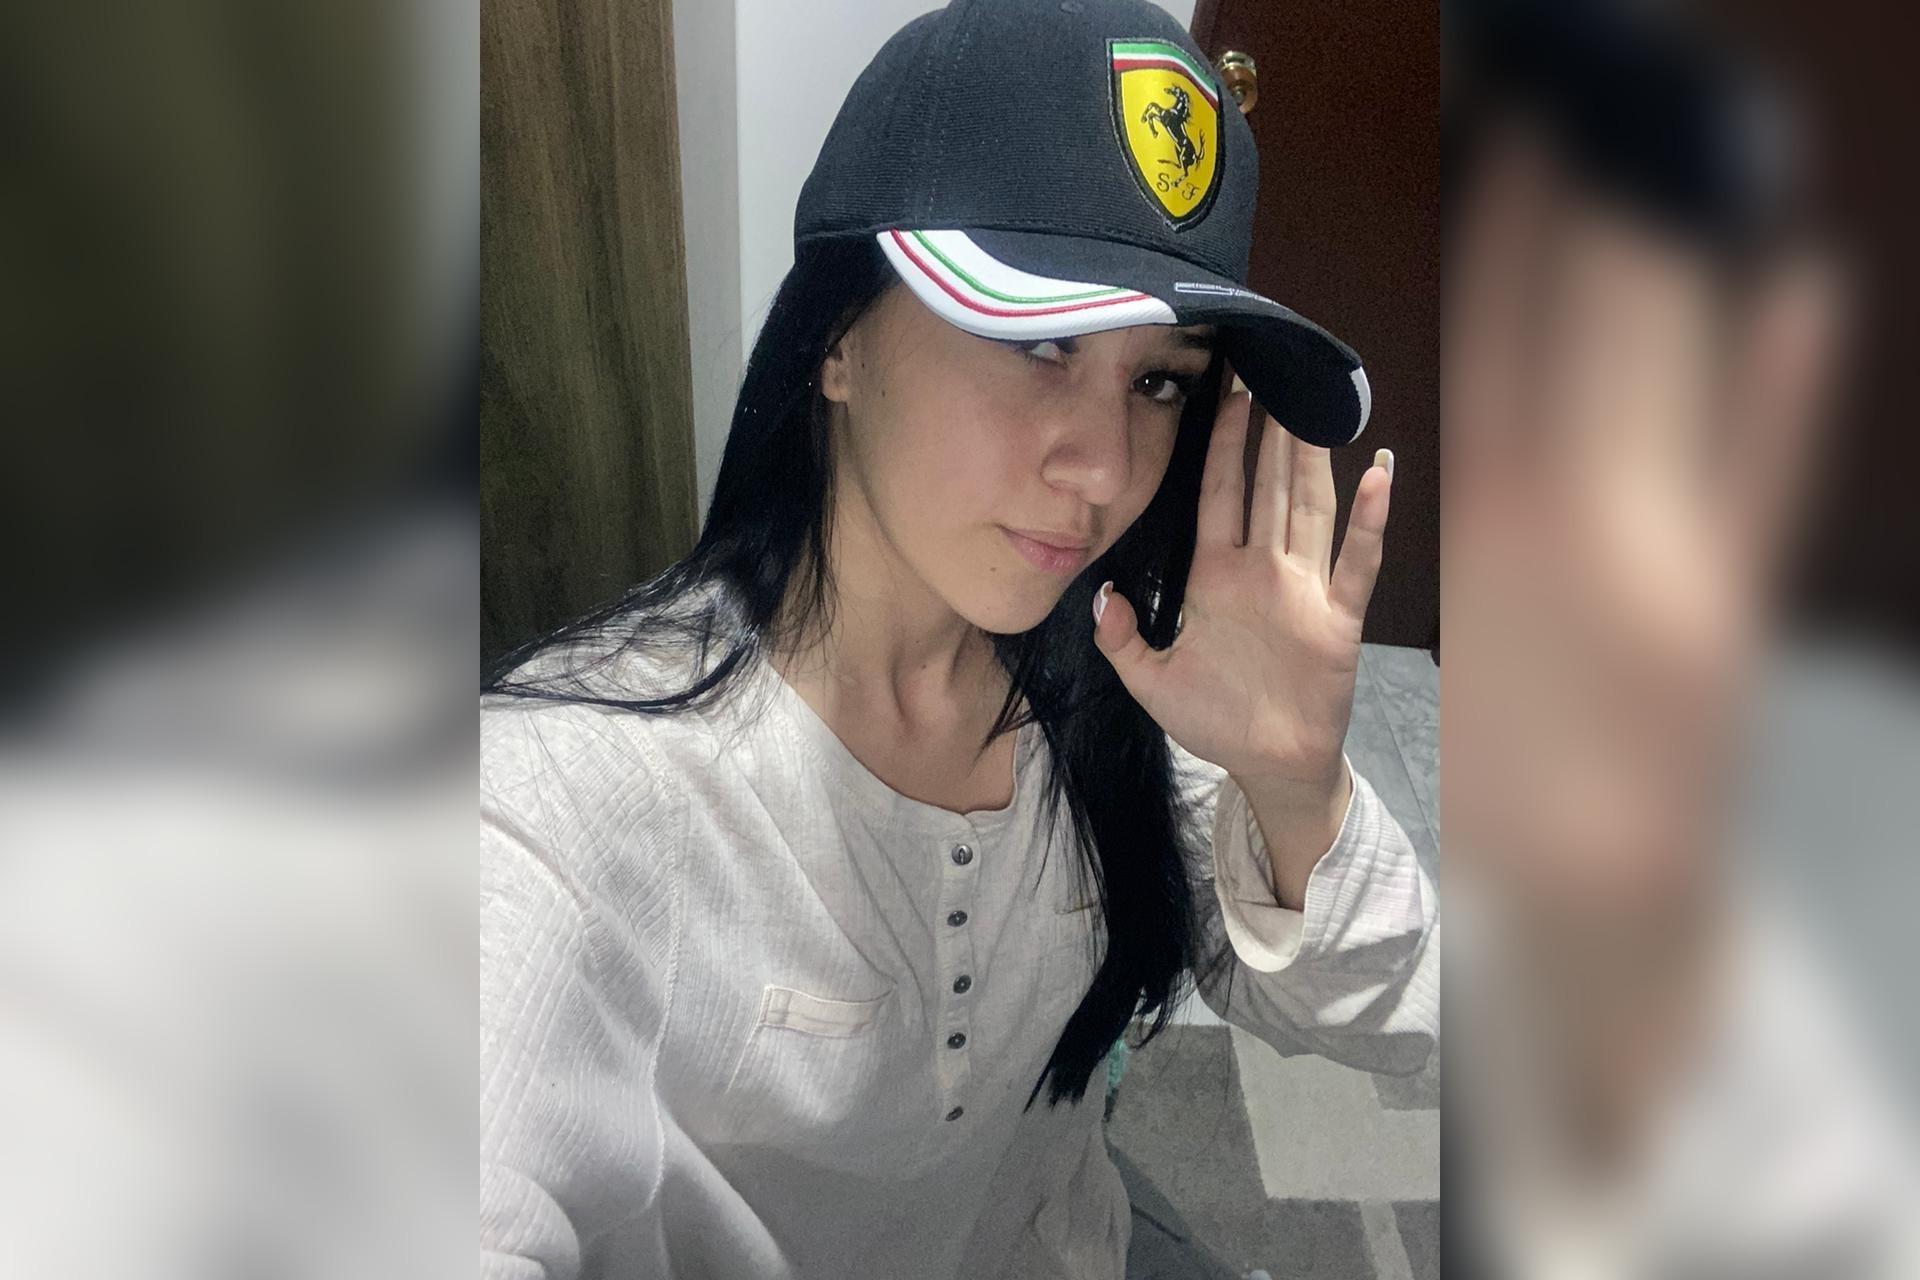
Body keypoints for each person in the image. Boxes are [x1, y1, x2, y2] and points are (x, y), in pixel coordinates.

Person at [480, 1, 1437, 1276]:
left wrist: (1292, 784)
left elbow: (1413, 1022)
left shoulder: (1131, 675)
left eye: (1159, 378)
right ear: (837, 340)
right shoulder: (563, 803)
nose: (1106, 470)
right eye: (1038, 341)